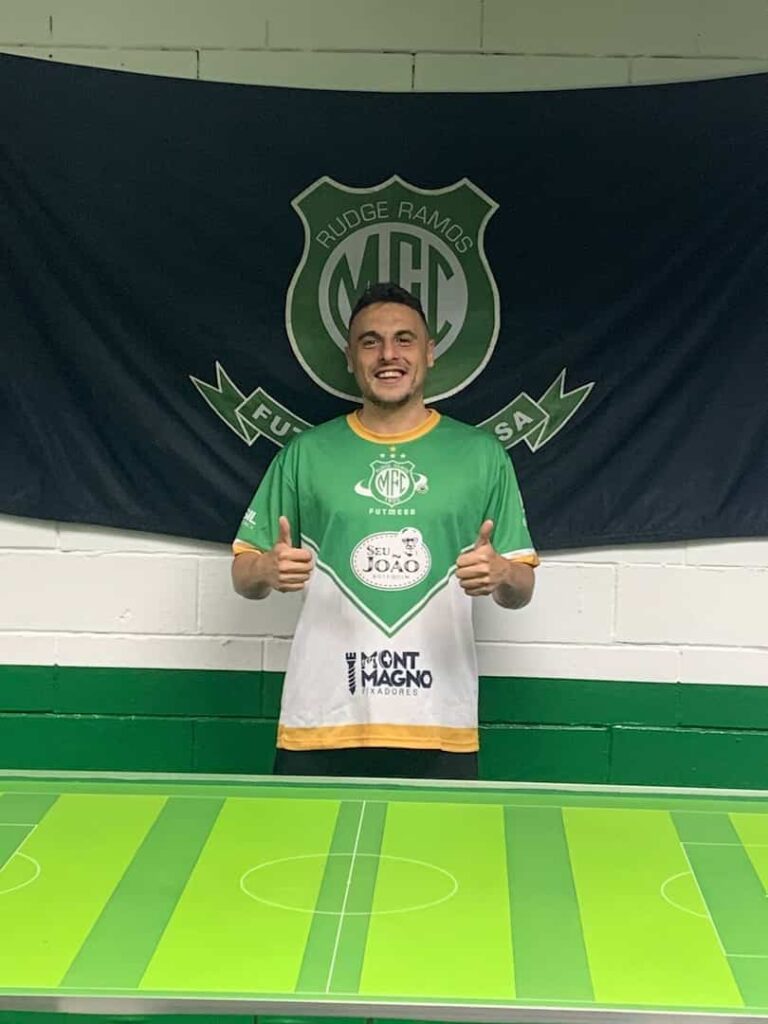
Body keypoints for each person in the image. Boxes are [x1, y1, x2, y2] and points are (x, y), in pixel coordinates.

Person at [231, 282, 537, 780]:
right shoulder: (305, 454)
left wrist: (502, 573)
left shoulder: (482, 456)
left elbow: (521, 589)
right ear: (350, 358)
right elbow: (243, 575)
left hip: (438, 723)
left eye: (404, 339)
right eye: (370, 342)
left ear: (430, 353)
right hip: (322, 720)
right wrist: (265, 569)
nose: (388, 355)